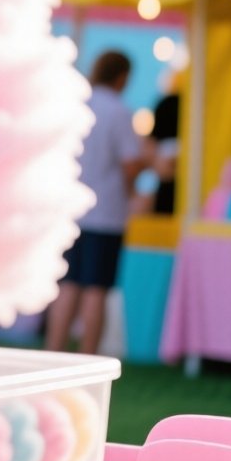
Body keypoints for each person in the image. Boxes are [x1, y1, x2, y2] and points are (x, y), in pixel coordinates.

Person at [47, 50, 149, 356]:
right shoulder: (119, 112)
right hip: (105, 213)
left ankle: (53, 351)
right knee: (96, 290)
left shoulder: (77, 104)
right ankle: (86, 358)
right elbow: (131, 164)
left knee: (68, 285)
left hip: (70, 210)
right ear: (123, 77)